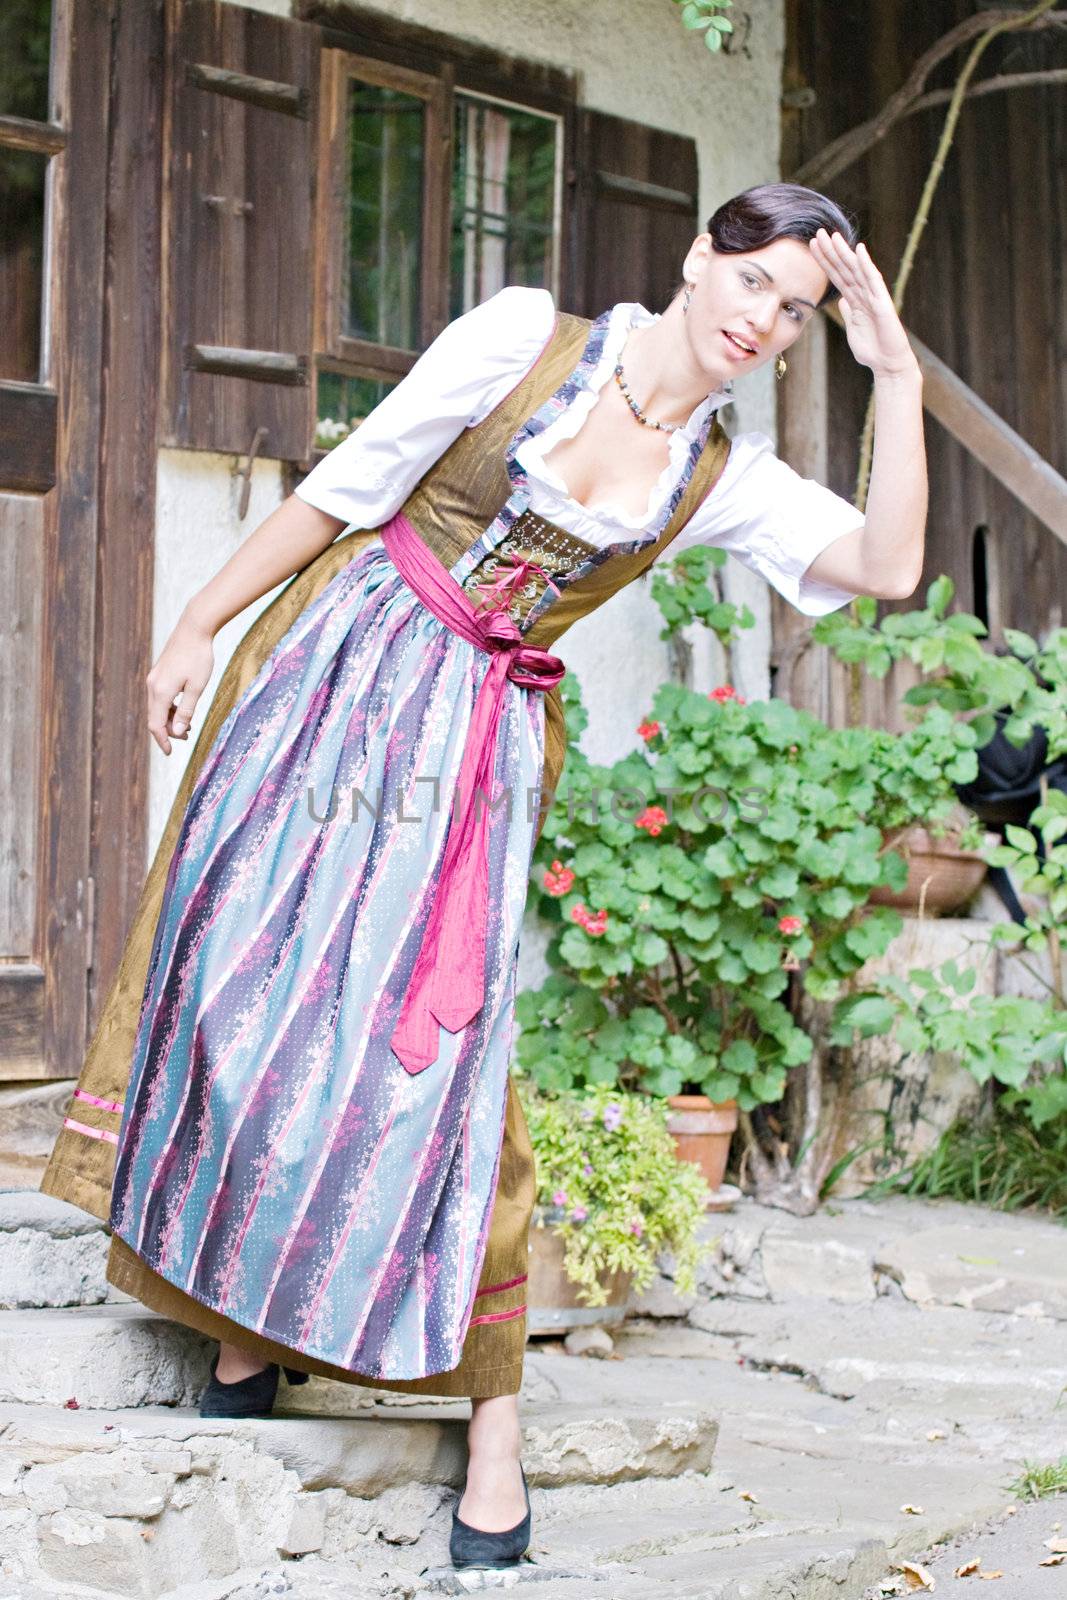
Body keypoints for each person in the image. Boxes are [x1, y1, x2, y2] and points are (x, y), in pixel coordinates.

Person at [40, 182, 926, 1571]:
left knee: (446, 1056)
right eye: (756, 281)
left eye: (800, 314)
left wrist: (896, 376)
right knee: (253, 984)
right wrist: (195, 627)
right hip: (339, 670)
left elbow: (888, 563)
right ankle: (235, 1327)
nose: (767, 320)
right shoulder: (525, 338)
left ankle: (490, 1426)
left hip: (478, 744)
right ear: (703, 256)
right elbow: (352, 485)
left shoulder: (719, 476)